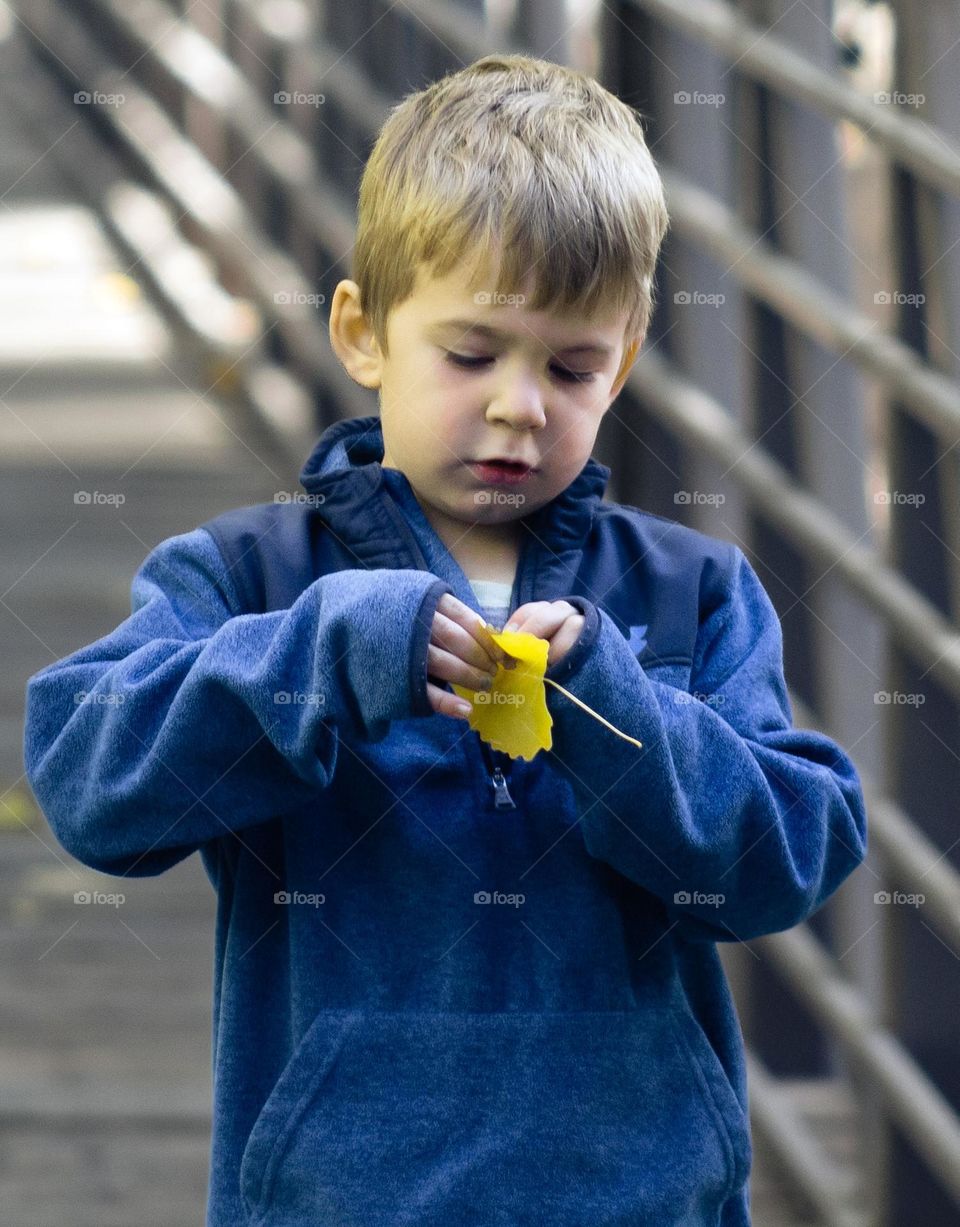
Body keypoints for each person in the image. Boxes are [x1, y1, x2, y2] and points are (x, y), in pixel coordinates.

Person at [23, 52, 867, 1227]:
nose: (520, 405)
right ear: (363, 334)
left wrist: (612, 715)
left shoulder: (690, 595)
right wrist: (322, 658)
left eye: (572, 367)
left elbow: (789, 859)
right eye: (472, 355)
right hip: (339, 1201)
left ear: (622, 362)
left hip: (643, 1199)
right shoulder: (252, 578)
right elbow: (87, 783)